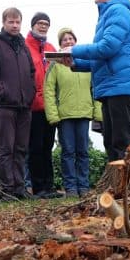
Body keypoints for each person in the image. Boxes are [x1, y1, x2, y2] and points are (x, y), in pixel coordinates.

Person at [62, 0, 130, 162]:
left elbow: (108, 47)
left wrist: (74, 50)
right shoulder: (107, 14)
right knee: (111, 141)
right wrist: (74, 63)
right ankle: (117, 187)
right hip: (111, 86)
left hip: (121, 86)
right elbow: (102, 58)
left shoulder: (118, 11)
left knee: (122, 142)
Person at [0, 7, 36, 201]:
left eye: (17, 22)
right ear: (4, 22)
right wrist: (3, 92)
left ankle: (20, 188)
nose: (14, 25)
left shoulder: (23, 46)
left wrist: (29, 93)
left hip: (23, 106)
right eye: (11, 22)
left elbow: (31, 71)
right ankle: (7, 189)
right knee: (6, 149)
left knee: (21, 148)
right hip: (4, 106)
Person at [44, 28, 103, 198]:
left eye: (71, 39)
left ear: (75, 42)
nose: (68, 42)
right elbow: (49, 90)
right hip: (65, 116)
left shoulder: (86, 60)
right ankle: (70, 187)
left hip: (84, 113)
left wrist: (97, 111)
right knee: (68, 152)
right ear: (60, 44)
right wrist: (53, 115)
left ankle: (84, 186)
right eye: (64, 40)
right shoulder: (55, 64)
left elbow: (95, 86)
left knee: (83, 152)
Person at [25, 12, 62, 199]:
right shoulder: (24, 47)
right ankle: (38, 187)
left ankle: (49, 186)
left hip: (50, 106)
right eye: (39, 23)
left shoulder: (50, 47)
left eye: (46, 23)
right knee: (35, 147)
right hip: (32, 106)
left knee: (47, 147)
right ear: (32, 25)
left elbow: (58, 73)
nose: (43, 26)